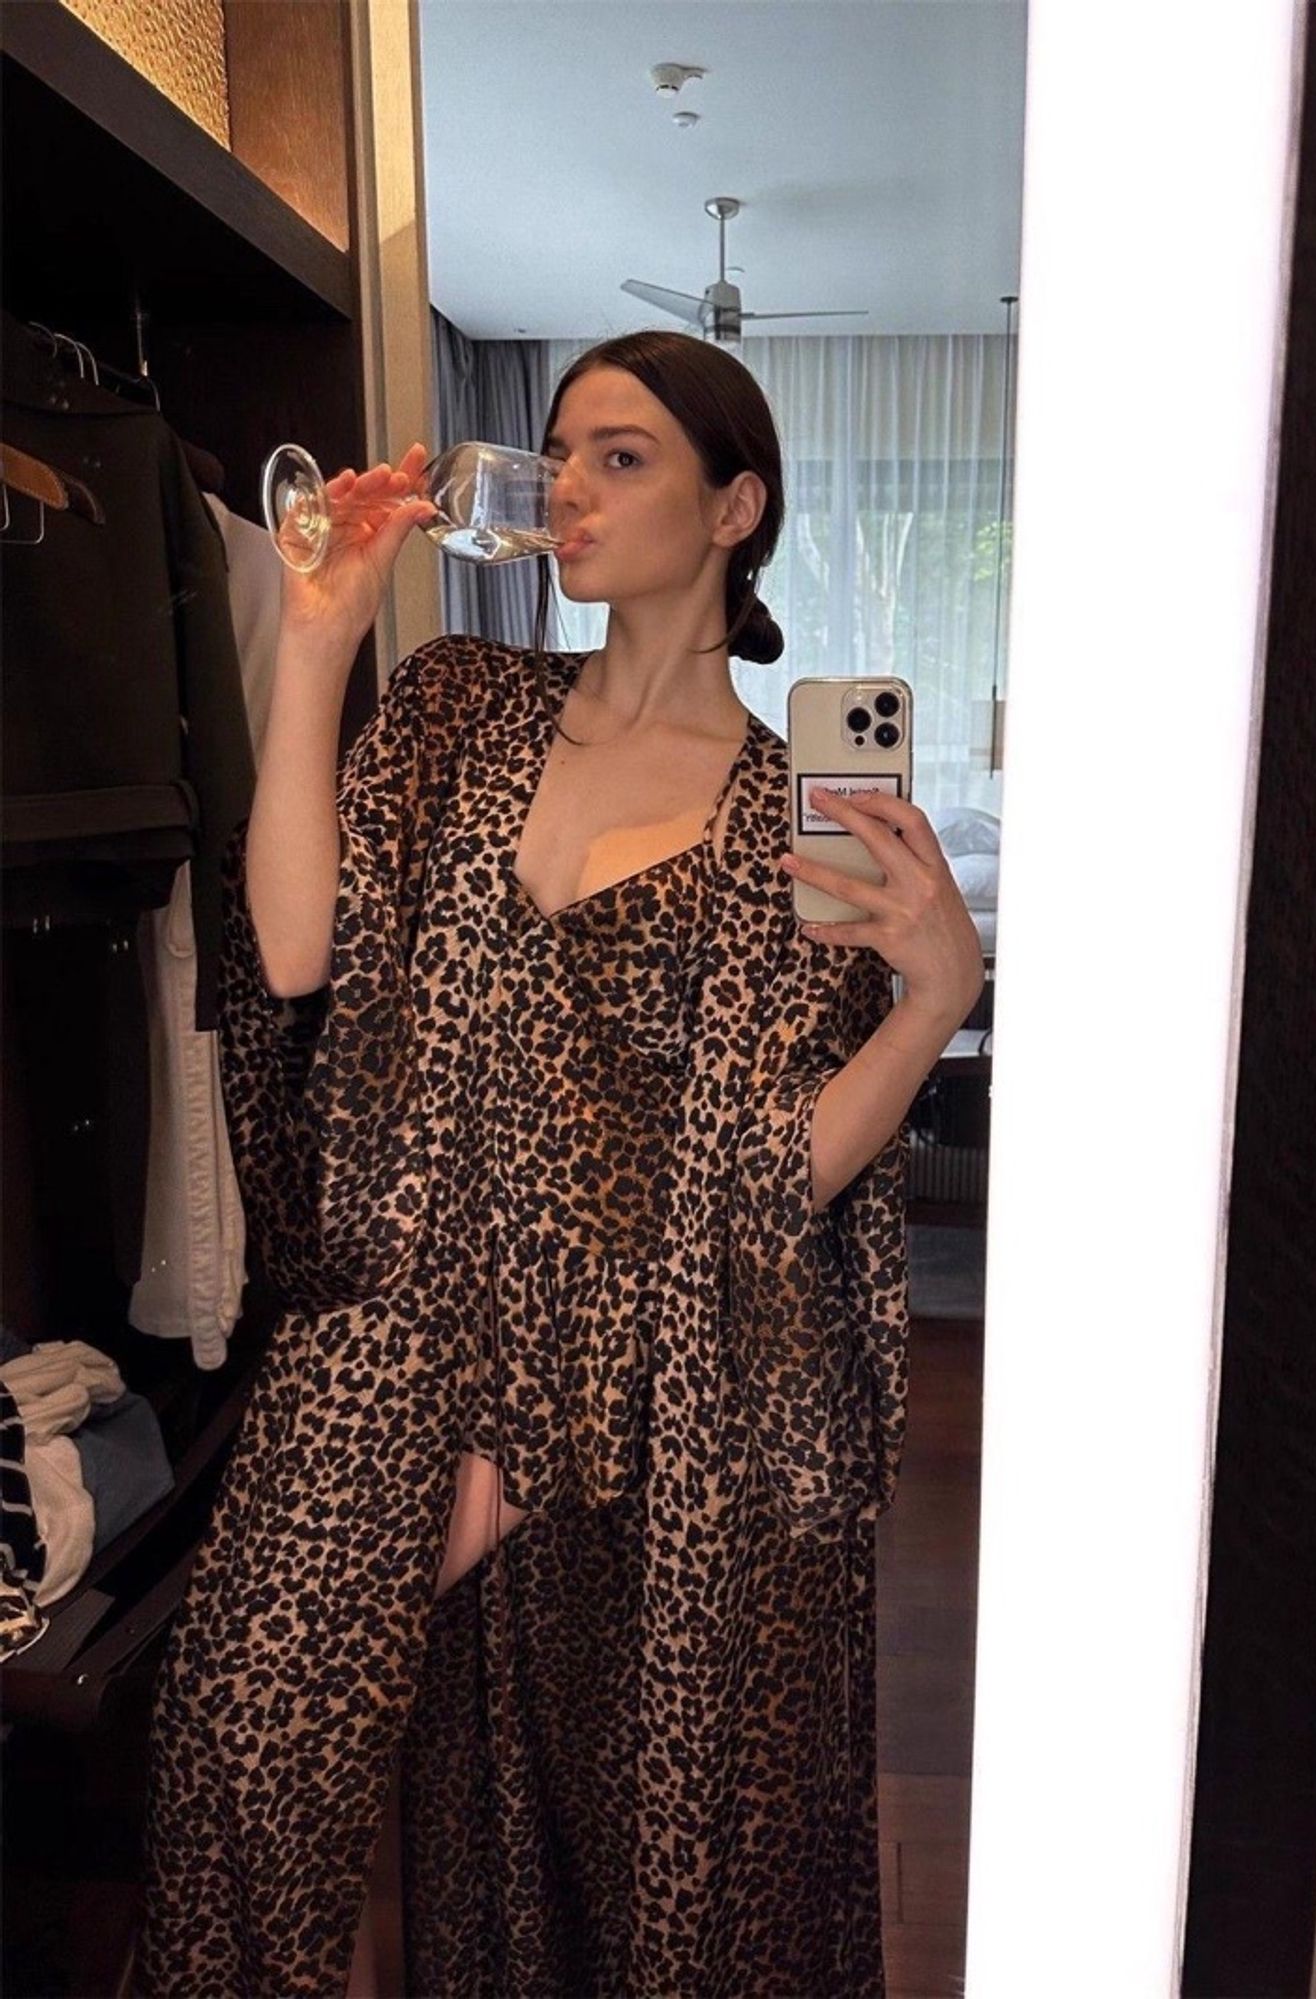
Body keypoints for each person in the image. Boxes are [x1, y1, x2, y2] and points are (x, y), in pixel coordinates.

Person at [133, 329, 984, 1997]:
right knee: (239, 1756)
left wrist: (936, 1002)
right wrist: (318, 639)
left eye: (624, 456)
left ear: (734, 508)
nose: (570, 488)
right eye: (562, 449)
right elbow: (295, 950)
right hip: (395, 1339)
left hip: (657, 1387)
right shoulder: (460, 705)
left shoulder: (785, 816)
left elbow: (766, 1168)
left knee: (634, 1866)